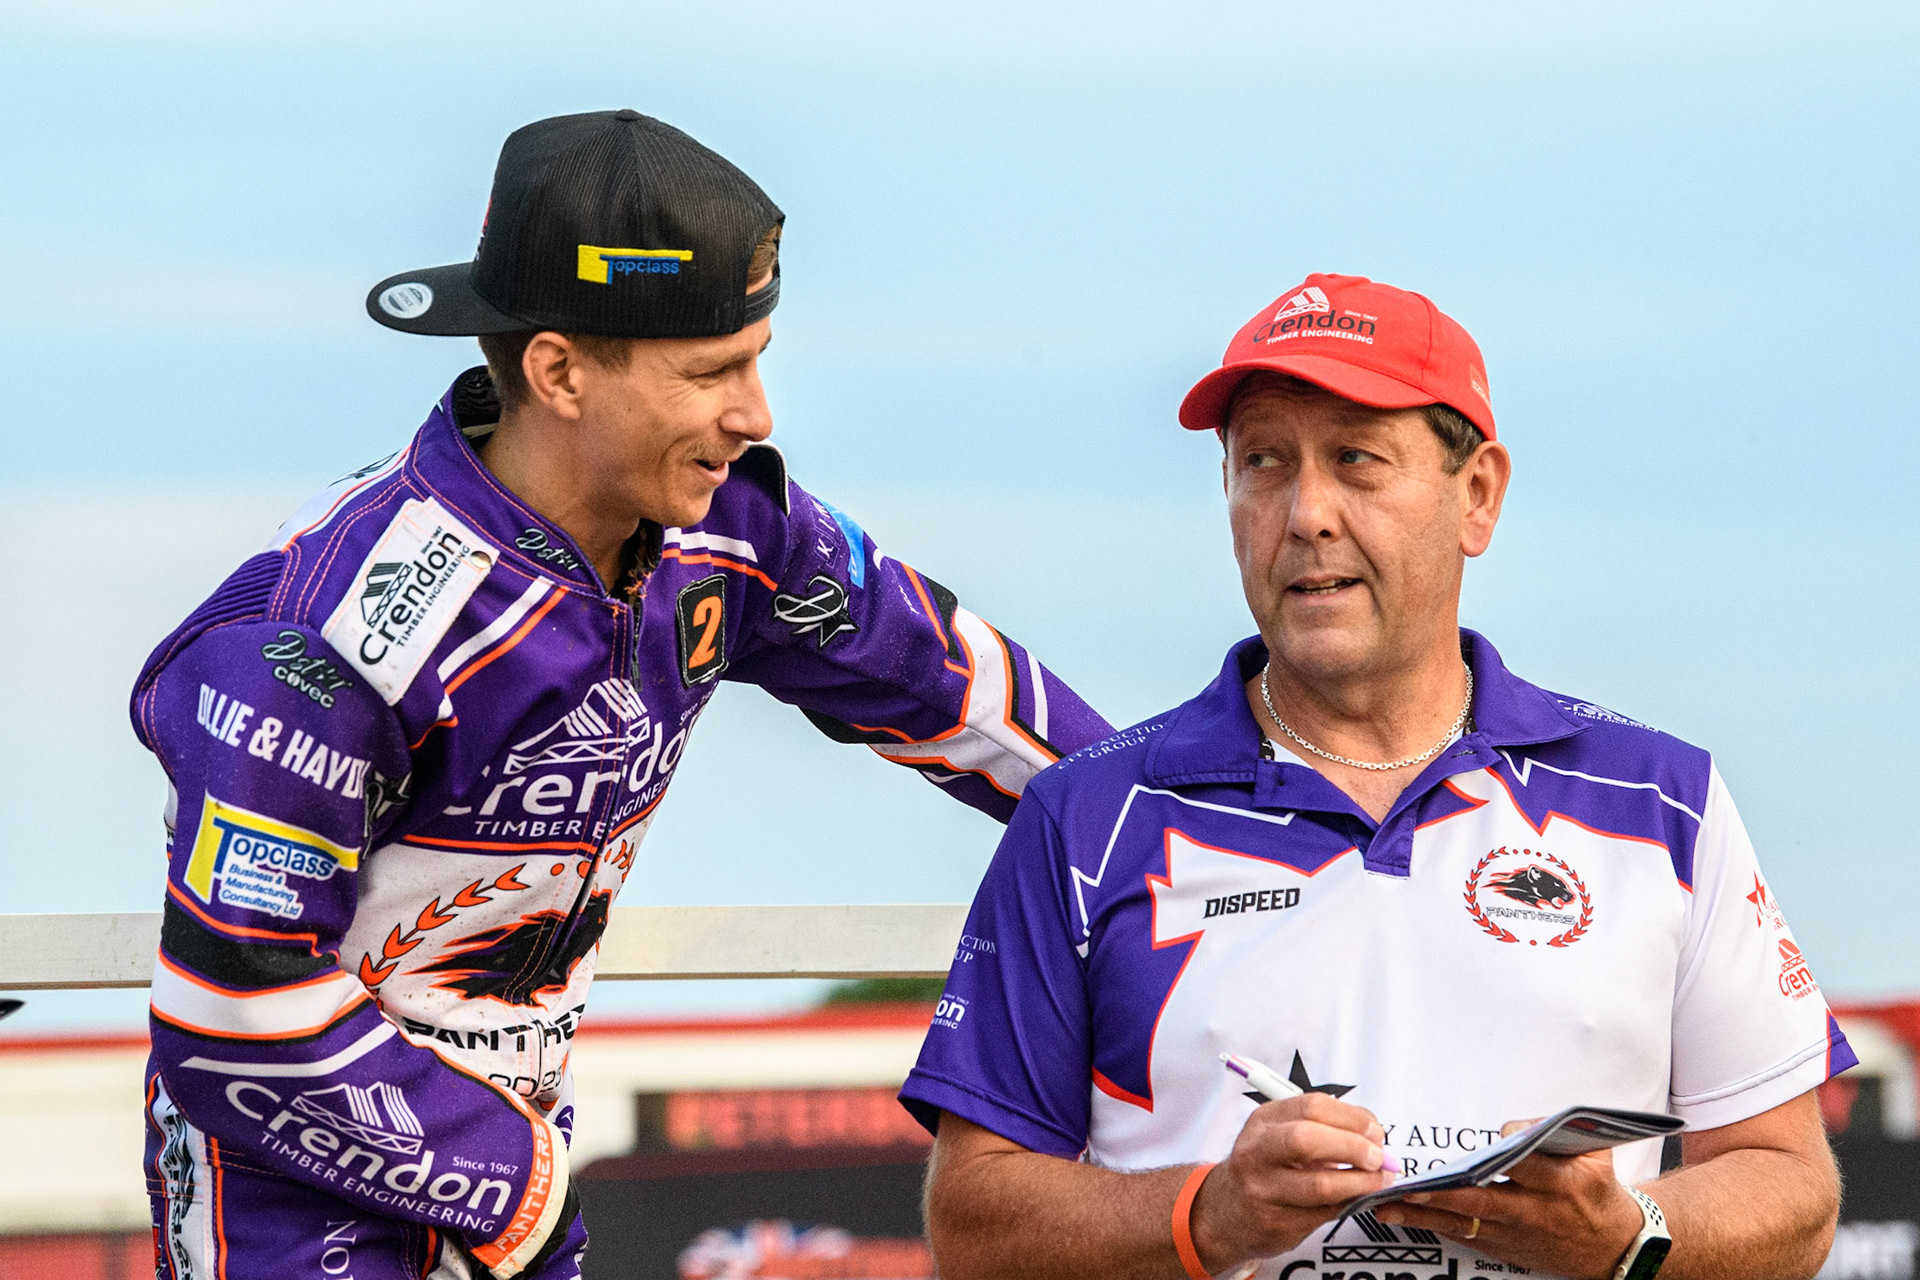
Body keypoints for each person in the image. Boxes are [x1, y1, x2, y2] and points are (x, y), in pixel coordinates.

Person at [131, 110, 1111, 1280]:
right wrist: (519, 1191)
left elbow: (971, 699)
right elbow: (232, 1003)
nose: (756, 414)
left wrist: (1208, 832)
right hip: (299, 1195)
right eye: (712, 372)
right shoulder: (334, 633)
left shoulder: (736, 529)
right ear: (558, 371)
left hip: (518, 1162)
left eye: (756, 357)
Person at [900, 273, 1852, 1280]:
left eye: (1357, 457)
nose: (1307, 511)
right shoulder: (1085, 814)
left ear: (1477, 494)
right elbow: (973, 1218)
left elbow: (1790, 1186)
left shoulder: (1662, 799)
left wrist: (1627, 1233)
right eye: (1263, 461)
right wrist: (1207, 1211)